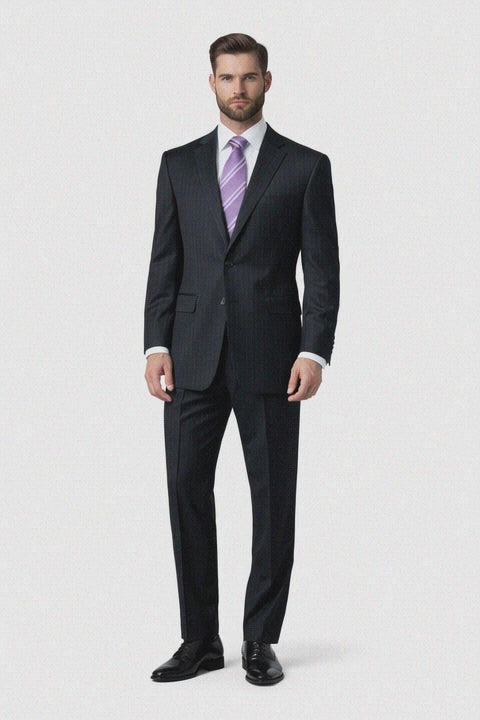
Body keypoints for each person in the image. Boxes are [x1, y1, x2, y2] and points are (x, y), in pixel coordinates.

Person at [144, 33, 339, 686]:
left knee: (272, 498)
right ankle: (200, 639)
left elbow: (323, 270)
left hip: (273, 359)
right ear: (211, 82)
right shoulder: (178, 165)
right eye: (227, 77)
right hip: (192, 356)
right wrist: (156, 344)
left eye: (249, 77)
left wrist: (314, 350)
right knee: (184, 489)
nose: (238, 88)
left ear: (267, 81)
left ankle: (261, 639)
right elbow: (164, 262)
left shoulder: (305, 166)